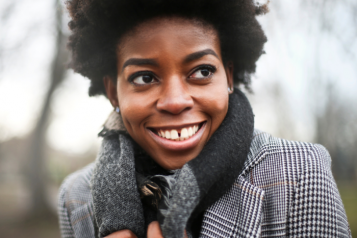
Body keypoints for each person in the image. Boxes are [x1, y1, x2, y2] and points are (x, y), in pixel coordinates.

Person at [58, 0, 351, 237]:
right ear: (113, 92)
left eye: (202, 72)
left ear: (229, 75)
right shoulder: (76, 196)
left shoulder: (300, 174)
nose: (175, 101)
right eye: (145, 77)